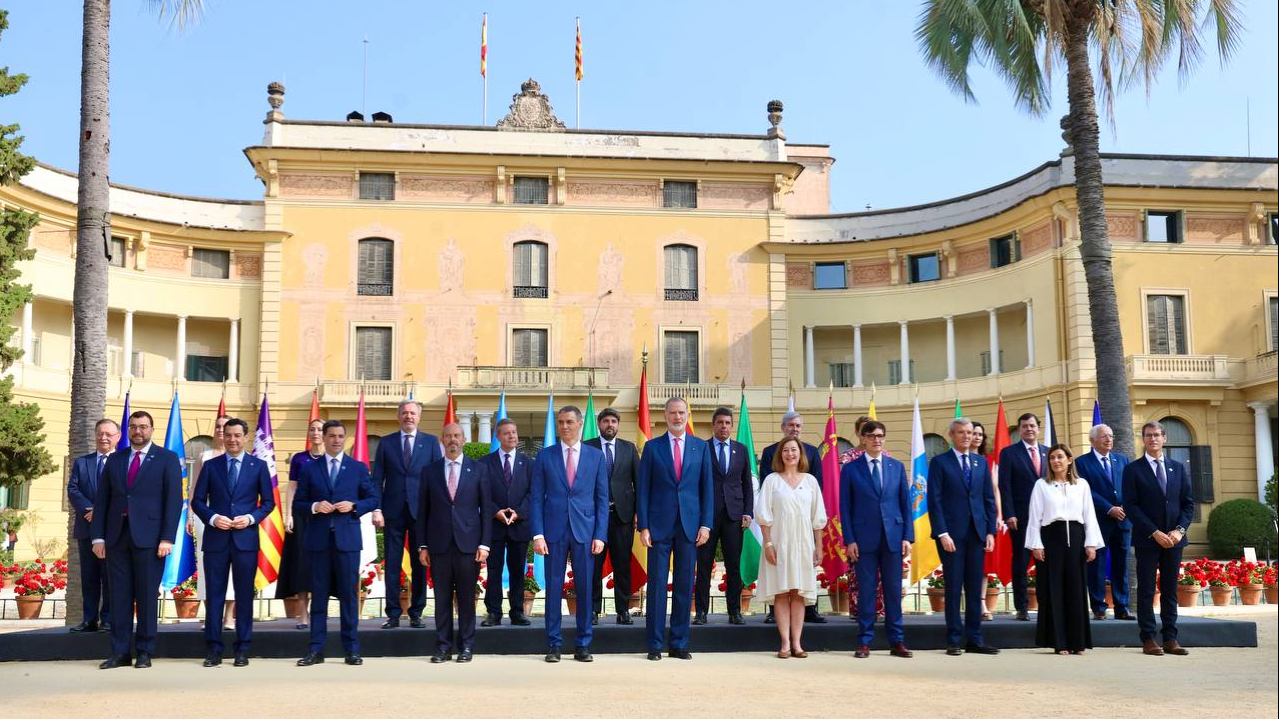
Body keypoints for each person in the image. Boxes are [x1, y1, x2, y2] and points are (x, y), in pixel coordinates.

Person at [91, 410, 184, 669]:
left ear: (151, 429)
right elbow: (103, 501)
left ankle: (144, 651)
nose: (138, 431)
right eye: (133, 427)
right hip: (117, 539)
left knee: (145, 597)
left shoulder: (167, 458)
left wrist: (167, 538)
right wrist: (98, 538)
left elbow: (173, 502)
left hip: (151, 541)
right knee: (119, 597)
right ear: (127, 430)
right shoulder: (116, 459)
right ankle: (120, 653)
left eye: (143, 427)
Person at [190, 417, 276, 667]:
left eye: (237, 435)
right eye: (228, 435)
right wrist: (213, 518)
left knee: (244, 596)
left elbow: (268, 503)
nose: (232, 439)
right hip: (216, 539)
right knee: (215, 596)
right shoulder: (211, 465)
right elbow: (197, 501)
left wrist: (250, 518)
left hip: (245, 540)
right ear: (222, 437)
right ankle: (214, 650)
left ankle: (242, 649)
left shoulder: (258, 466)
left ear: (245, 437)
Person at [293, 420, 380, 667]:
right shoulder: (310, 469)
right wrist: (313, 506)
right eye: (332, 436)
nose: (336, 440)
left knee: (348, 598)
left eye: (341, 436)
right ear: (324, 437)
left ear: (345, 439)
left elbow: (373, 498)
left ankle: (351, 650)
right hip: (319, 541)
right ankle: (316, 650)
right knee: (318, 596)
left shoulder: (357, 468)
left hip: (347, 541)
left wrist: (355, 506)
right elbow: (298, 504)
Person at [531, 406, 609, 663]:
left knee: (585, 589)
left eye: (569, 422)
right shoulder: (545, 456)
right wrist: (538, 534)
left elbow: (601, 499)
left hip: (585, 532)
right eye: (560, 422)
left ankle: (583, 644)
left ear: (579, 424)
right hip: (553, 531)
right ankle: (553, 644)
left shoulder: (595, 457)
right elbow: (536, 499)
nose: (564, 426)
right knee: (553, 588)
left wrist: (600, 535)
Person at [637, 396, 712, 661]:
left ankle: (679, 643)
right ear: (665, 415)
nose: (677, 417)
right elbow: (643, 490)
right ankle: (655, 644)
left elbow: (707, 490)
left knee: (683, 585)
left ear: (687, 414)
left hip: (690, 527)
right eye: (673, 413)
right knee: (657, 586)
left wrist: (705, 524)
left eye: (681, 413)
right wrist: (643, 526)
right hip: (658, 526)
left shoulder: (700, 447)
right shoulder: (652, 448)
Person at [417, 423, 492, 663]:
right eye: (448, 436)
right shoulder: (430, 471)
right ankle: (443, 646)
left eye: (457, 436)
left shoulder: (478, 469)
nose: (452, 440)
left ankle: (467, 645)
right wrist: (423, 546)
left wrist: (485, 544)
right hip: (439, 545)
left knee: (467, 598)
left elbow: (487, 510)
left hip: (469, 546)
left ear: (463, 440)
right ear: (442, 440)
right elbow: (423, 511)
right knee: (441, 599)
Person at [841, 420, 913, 659]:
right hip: (863, 540)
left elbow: (905, 504)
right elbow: (845, 508)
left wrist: (907, 537)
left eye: (880, 435)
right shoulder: (851, 469)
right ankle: (864, 642)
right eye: (871, 436)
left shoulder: (896, 466)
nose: (876, 440)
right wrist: (849, 540)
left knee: (893, 592)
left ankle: (897, 641)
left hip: (893, 538)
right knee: (867, 592)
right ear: (862, 439)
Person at [927, 417, 999, 656]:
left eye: (970, 432)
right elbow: (934, 501)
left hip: (977, 534)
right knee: (954, 587)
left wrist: (990, 531)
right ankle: (954, 640)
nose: (967, 436)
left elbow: (988, 499)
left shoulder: (980, 463)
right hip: (951, 536)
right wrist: (942, 532)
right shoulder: (940, 463)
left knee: (974, 587)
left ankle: (975, 640)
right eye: (962, 432)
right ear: (952, 435)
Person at [1123, 421, 1194, 656]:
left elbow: (1188, 504)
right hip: (1147, 539)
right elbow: (1131, 506)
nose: (1153, 439)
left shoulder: (1177, 467)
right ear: (1143, 439)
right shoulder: (1133, 470)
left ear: (1164, 438)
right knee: (1146, 589)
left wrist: (1179, 531)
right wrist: (1154, 532)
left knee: (1170, 589)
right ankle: (1148, 638)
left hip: (1174, 540)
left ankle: (1171, 638)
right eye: (1148, 435)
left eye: (1157, 435)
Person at [1025, 444, 1104, 655]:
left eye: (1060, 457)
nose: (1056, 461)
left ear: (1070, 460)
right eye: (1052, 458)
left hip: (1077, 539)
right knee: (1054, 590)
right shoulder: (1042, 485)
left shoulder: (1082, 485)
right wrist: (1036, 544)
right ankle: (1059, 642)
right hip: (1051, 539)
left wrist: (1091, 543)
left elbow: (1089, 515)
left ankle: (1078, 642)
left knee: (1076, 591)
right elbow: (1035, 518)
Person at [372, 400, 441, 629]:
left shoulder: (431, 443)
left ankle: (416, 612)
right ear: (398, 416)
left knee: (420, 562)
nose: (408, 416)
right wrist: (377, 508)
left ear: (419, 417)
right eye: (404, 413)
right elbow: (377, 479)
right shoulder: (386, 443)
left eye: (412, 413)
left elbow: (437, 480)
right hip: (393, 512)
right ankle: (392, 614)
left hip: (421, 513)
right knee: (391, 563)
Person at [756, 437, 826, 659]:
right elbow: (764, 517)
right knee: (781, 592)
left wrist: (819, 546)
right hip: (778, 543)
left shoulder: (811, 481)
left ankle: (797, 643)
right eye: (785, 450)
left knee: (798, 593)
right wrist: (768, 544)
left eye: (793, 450)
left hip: (804, 544)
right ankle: (785, 644)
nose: (790, 454)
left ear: (800, 454)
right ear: (780, 455)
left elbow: (818, 518)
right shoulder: (771, 481)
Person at [694, 406, 753, 626]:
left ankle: (734, 611)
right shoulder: (702, 449)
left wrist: (748, 511)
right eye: (720, 422)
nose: (724, 426)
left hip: (734, 515)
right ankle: (701, 612)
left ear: (732, 425)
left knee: (733, 566)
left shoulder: (741, 449)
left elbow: (747, 483)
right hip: (707, 518)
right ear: (713, 425)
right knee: (704, 565)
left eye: (728, 423)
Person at [584, 407, 640, 625]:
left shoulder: (629, 448)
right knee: (593, 566)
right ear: (599, 424)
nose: (610, 425)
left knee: (622, 565)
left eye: (613, 421)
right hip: (594, 518)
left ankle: (622, 610)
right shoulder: (587, 447)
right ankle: (593, 610)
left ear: (618, 425)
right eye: (606, 421)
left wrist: (638, 514)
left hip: (622, 517)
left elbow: (639, 483)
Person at [1075, 423, 1133, 620]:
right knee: (1097, 566)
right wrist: (1109, 508)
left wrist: (1124, 507)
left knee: (1121, 566)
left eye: (1110, 436)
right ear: (1092, 441)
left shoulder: (1122, 460)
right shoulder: (1082, 463)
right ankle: (1099, 607)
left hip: (1123, 521)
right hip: (1098, 521)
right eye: (1103, 436)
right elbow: (1085, 490)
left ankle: (1122, 607)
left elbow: (1129, 486)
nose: (1109, 439)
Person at [481, 418, 534, 627]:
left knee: (517, 571)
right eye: (506, 433)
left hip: (519, 526)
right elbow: (481, 492)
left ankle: (517, 612)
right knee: (493, 571)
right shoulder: (485, 462)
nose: (512, 436)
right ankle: (493, 613)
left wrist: (519, 513)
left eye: (514, 432)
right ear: (498, 436)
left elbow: (534, 493)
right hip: (494, 526)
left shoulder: (529, 463)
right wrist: (495, 512)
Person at [67, 418, 117, 634]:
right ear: (95, 435)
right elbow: (73, 489)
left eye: (108, 434)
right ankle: (89, 620)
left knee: (110, 578)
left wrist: (102, 511)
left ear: (117, 437)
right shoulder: (82, 462)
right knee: (89, 578)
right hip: (86, 528)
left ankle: (108, 620)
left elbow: (125, 493)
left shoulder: (122, 462)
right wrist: (90, 509)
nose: (103, 437)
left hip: (112, 531)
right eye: (100, 433)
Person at [998, 412, 1049, 621]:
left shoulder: (1049, 453)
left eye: (1032, 425)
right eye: (1024, 426)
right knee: (1020, 561)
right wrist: (1009, 514)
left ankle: (1047, 606)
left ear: (1038, 428)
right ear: (1019, 430)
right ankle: (1022, 607)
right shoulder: (1009, 453)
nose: (1029, 429)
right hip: (1020, 517)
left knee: (1046, 562)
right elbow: (1005, 485)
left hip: (1047, 518)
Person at [188, 415, 236, 631]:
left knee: (233, 567)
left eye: (224, 427)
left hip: (235, 519)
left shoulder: (241, 457)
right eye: (217, 427)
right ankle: (211, 616)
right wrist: (190, 515)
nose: (220, 430)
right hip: (205, 517)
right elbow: (194, 490)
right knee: (207, 566)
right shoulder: (204, 456)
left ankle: (228, 617)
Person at [278, 418, 325, 629]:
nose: (315, 433)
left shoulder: (332, 458)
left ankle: (319, 612)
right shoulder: (299, 459)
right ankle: (303, 614)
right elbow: (292, 488)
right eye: (312, 429)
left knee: (322, 566)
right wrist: (288, 515)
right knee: (302, 565)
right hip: (302, 517)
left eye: (320, 429)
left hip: (325, 518)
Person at [843, 415, 885, 623]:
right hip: (859, 527)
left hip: (884, 529)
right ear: (860, 434)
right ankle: (858, 609)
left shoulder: (887, 458)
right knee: (858, 572)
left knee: (882, 575)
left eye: (877, 434)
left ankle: (881, 610)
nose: (872, 438)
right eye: (865, 432)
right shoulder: (848, 459)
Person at [972, 421, 1003, 621]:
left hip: (983, 518)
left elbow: (994, 490)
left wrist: (998, 516)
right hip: (963, 519)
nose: (976, 437)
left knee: (983, 565)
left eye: (980, 434)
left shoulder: (989, 461)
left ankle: (981, 602)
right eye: (973, 433)